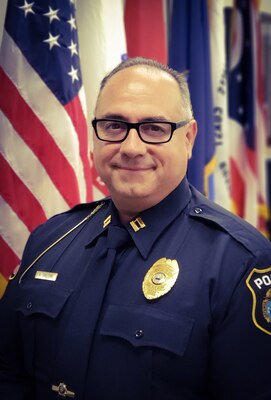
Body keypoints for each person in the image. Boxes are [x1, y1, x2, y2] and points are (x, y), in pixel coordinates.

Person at [0, 57, 271, 400]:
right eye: (114, 125)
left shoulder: (240, 262)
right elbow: (8, 372)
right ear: (94, 134)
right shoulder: (49, 239)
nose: (131, 148)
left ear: (188, 138)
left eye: (155, 128)